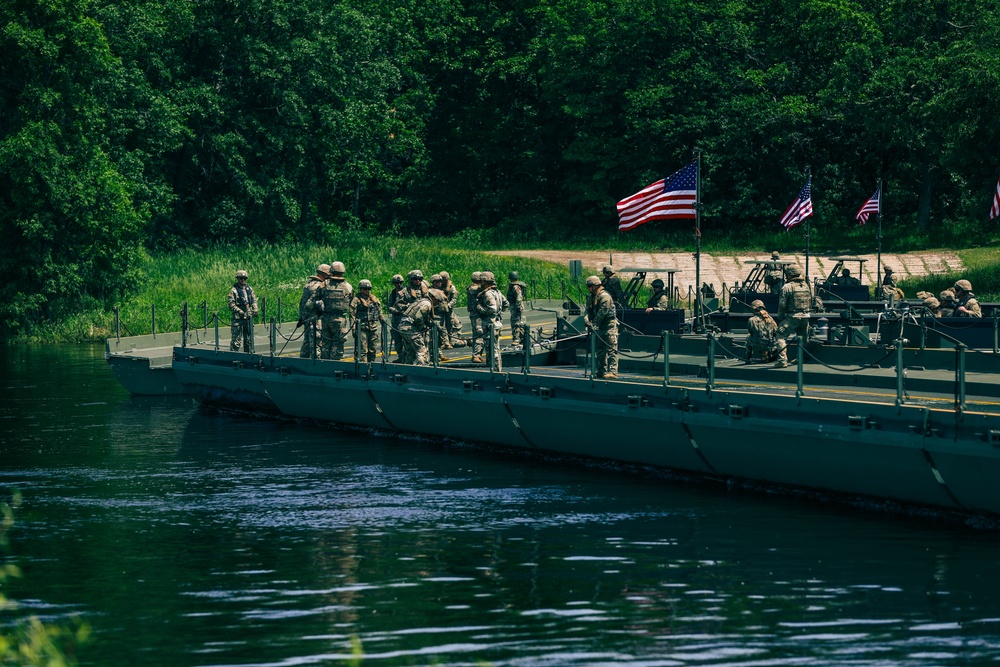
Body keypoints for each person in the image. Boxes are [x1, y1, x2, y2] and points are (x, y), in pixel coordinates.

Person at [773, 265, 811, 368]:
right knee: (802, 338)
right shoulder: (806, 286)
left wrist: (780, 316)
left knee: (780, 335)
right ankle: (800, 358)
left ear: (789, 275)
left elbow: (782, 304)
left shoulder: (787, 287)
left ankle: (782, 360)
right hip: (805, 316)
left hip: (792, 317)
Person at [584, 275, 618, 379]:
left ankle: (613, 372)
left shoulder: (604, 296)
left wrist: (594, 324)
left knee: (611, 348)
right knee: (600, 350)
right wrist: (586, 319)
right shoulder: (592, 297)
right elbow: (588, 310)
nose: (588, 288)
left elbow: (602, 312)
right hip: (599, 326)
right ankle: (601, 370)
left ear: (596, 285)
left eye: (590, 286)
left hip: (609, 326)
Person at [320, 261, 353, 359]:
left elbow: (317, 297)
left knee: (326, 343)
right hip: (340, 319)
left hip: (325, 318)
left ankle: (325, 363)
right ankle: (335, 364)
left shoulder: (324, 284)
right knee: (338, 343)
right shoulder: (348, 286)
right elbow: (351, 301)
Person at [398, 289, 439, 365]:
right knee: (421, 350)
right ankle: (420, 368)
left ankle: (407, 367)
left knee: (410, 351)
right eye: (438, 301)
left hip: (403, 327)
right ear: (433, 298)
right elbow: (418, 317)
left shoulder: (420, 301)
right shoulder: (427, 304)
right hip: (410, 328)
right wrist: (422, 327)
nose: (438, 304)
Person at [297, 264, 329, 358]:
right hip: (315, 318)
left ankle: (302, 361)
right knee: (316, 342)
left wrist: (302, 317)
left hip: (306, 318)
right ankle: (315, 363)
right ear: (323, 274)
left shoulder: (309, 284)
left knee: (307, 341)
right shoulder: (319, 286)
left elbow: (302, 302)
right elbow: (311, 303)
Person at [477, 271, 506, 371]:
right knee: (495, 347)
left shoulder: (488, 294)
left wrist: (480, 308)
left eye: (481, 281)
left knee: (492, 349)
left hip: (490, 324)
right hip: (497, 322)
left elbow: (492, 309)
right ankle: (495, 368)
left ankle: (495, 370)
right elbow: (506, 304)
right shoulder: (497, 292)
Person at [350, 279, 385, 363]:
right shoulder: (356, 300)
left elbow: (379, 311)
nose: (367, 291)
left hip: (373, 328)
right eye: (365, 289)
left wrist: (383, 321)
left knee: (372, 349)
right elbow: (352, 315)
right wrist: (354, 328)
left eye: (368, 289)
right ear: (361, 289)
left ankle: (371, 365)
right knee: (362, 350)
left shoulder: (374, 299)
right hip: (362, 329)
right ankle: (363, 367)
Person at [228, 269, 258, 353]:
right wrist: (239, 311)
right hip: (238, 319)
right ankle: (234, 355)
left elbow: (253, 300)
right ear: (237, 279)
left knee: (249, 339)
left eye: (244, 278)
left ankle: (248, 355)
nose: (243, 280)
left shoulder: (249, 289)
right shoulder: (233, 291)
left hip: (248, 317)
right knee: (236, 340)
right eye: (241, 278)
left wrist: (255, 309)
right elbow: (231, 305)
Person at [439, 271, 464, 347]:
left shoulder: (451, 288)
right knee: (442, 326)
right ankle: (445, 342)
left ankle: (454, 340)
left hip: (448, 310)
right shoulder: (438, 286)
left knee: (453, 324)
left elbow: (454, 299)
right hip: (440, 310)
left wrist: (448, 306)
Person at [387, 274, 406, 361]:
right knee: (397, 340)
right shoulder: (393, 293)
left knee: (406, 339)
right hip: (396, 320)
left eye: (400, 283)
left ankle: (407, 357)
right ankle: (401, 357)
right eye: (396, 283)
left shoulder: (407, 292)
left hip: (405, 319)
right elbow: (389, 305)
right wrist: (394, 310)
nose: (398, 284)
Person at [507, 271, 527, 346]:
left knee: (515, 323)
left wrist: (518, 307)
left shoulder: (515, 287)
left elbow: (519, 297)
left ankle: (516, 339)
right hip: (515, 306)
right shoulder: (515, 286)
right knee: (517, 323)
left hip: (516, 307)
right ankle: (521, 337)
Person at [468, 272, 484, 363]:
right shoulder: (473, 288)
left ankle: (479, 354)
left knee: (479, 334)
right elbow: (478, 290)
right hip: (476, 314)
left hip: (478, 314)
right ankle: (476, 355)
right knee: (479, 333)